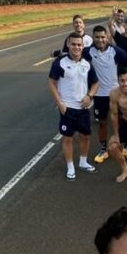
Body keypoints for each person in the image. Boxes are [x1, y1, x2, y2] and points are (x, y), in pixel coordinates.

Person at [48, 33, 98, 181]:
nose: (76, 47)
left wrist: (89, 96)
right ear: (68, 45)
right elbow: (51, 83)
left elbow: (95, 83)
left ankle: (83, 161)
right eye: (73, 44)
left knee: (86, 135)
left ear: (83, 46)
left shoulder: (87, 64)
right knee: (68, 138)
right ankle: (70, 167)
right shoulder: (60, 63)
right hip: (67, 108)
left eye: (79, 44)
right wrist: (59, 103)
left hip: (83, 108)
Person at [86, 25, 127, 164]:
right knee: (102, 122)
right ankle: (103, 149)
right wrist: (57, 54)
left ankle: (126, 146)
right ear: (93, 37)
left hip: (117, 93)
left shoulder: (114, 51)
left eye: (103, 37)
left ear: (107, 37)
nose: (100, 40)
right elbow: (73, 54)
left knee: (123, 120)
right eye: (97, 37)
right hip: (99, 95)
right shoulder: (88, 52)